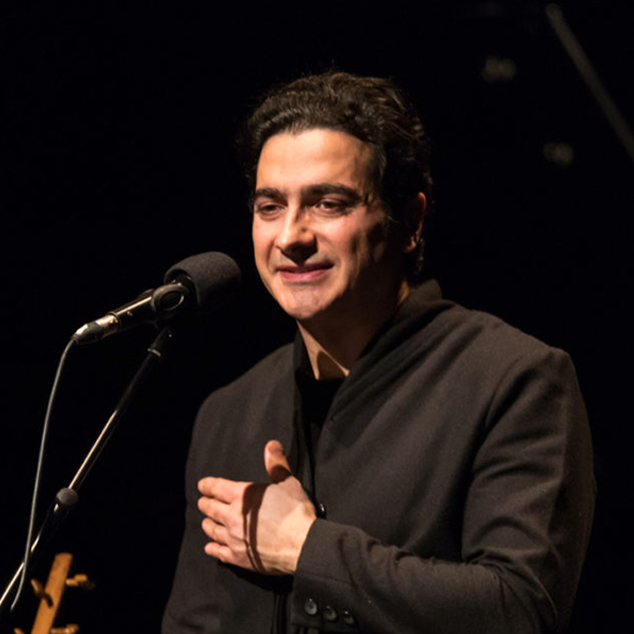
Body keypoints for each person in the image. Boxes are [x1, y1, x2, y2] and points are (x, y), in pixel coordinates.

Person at [162, 71, 595, 634]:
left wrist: (306, 549)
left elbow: (518, 612)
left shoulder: (513, 380)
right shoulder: (228, 412)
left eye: (328, 203)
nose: (290, 236)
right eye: (270, 207)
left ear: (409, 222)